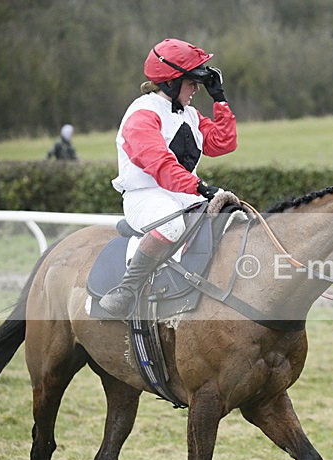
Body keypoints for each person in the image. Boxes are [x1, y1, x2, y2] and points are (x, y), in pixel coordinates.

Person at [99, 38, 238, 318]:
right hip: (145, 196)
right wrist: (198, 186)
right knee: (173, 224)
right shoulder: (142, 114)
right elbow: (160, 165)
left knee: (233, 220)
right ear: (171, 83)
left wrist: (220, 99)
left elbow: (224, 142)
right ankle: (127, 289)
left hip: (183, 194)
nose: (196, 89)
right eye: (191, 83)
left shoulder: (191, 115)